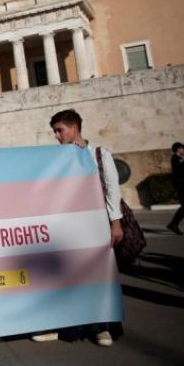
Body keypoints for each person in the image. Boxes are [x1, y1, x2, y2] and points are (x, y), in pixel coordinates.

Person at [31, 109, 122, 347]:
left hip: (96, 227)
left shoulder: (99, 154)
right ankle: (65, 327)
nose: (57, 136)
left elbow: (112, 190)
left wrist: (116, 223)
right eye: (55, 131)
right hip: (68, 228)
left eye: (60, 130)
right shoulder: (58, 158)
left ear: (74, 128)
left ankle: (101, 328)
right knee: (65, 278)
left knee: (98, 278)